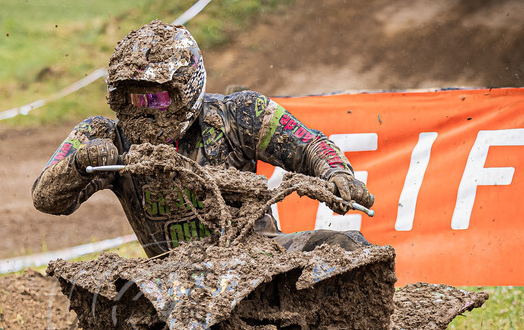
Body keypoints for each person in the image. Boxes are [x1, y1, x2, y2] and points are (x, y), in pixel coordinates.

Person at [32, 20, 373, 257]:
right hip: (173, 276)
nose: (147, 109)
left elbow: (310, 144)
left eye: (158, 98)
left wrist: (337, 174)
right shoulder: (104, 136)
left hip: (259, 257)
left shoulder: (240, 114)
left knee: (347, 247)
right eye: (136, 98)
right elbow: (44, 197)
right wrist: (79, 165)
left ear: (187, 88)